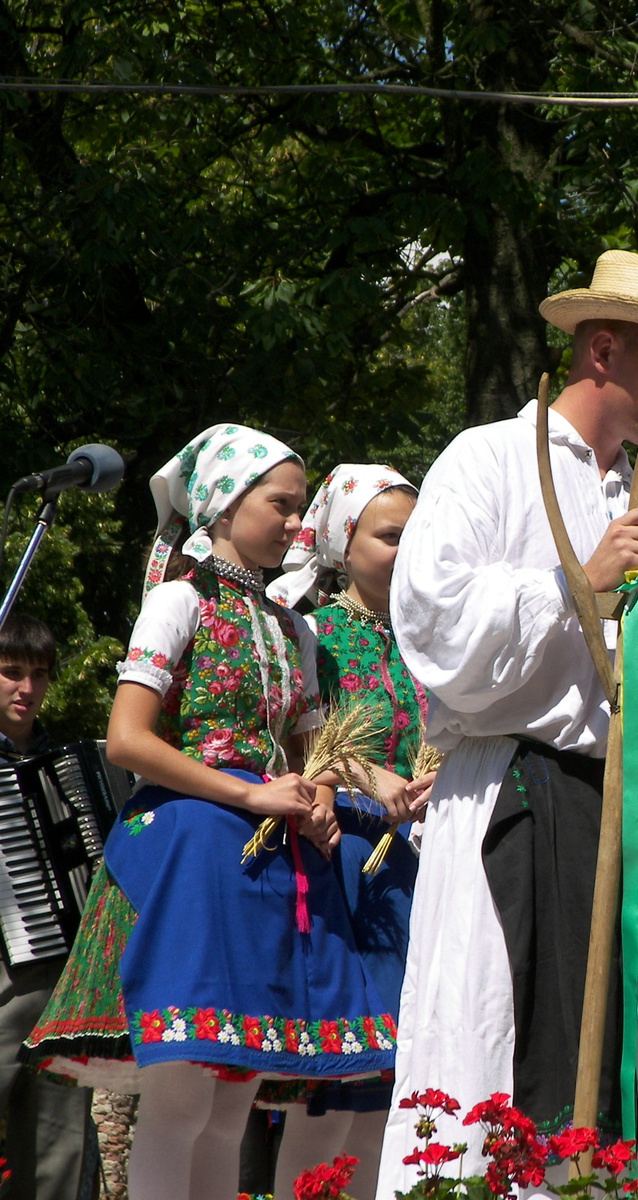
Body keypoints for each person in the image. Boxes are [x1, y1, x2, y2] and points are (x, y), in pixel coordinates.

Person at [379, 250, 638, 1195]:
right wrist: (568, 585)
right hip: (513, 792)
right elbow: (432, 621)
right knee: (503, 1044)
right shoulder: (488, 463)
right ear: (601, 349)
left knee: (625, 1068)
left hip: (625, 816)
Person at [22, 424, 414, 1200]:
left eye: (301, 509)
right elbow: (129, 741)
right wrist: (250, 791)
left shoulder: (293, 627)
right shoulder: (178, 600)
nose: (295, 524)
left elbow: (304, 757)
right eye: (279, 504)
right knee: (180, 1099)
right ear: (224, 505)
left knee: (231, 1103)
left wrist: (315, 799)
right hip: (193, 850)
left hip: (268, 861)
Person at [265, 464, 430, 1200]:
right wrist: (368, 776)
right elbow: (293, 739)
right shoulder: (314, 633)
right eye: (391, 535)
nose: (409, 548)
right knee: (340, 1070)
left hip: (420, 868)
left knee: (397, 1080)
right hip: (343, 861)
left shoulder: (431, 639)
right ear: (341, 542)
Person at [0, 614, 96, 1200]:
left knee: (58, 1143)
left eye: (38, 675)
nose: (25, 689)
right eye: (10, 673)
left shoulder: (66, 761)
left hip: (59, 969)